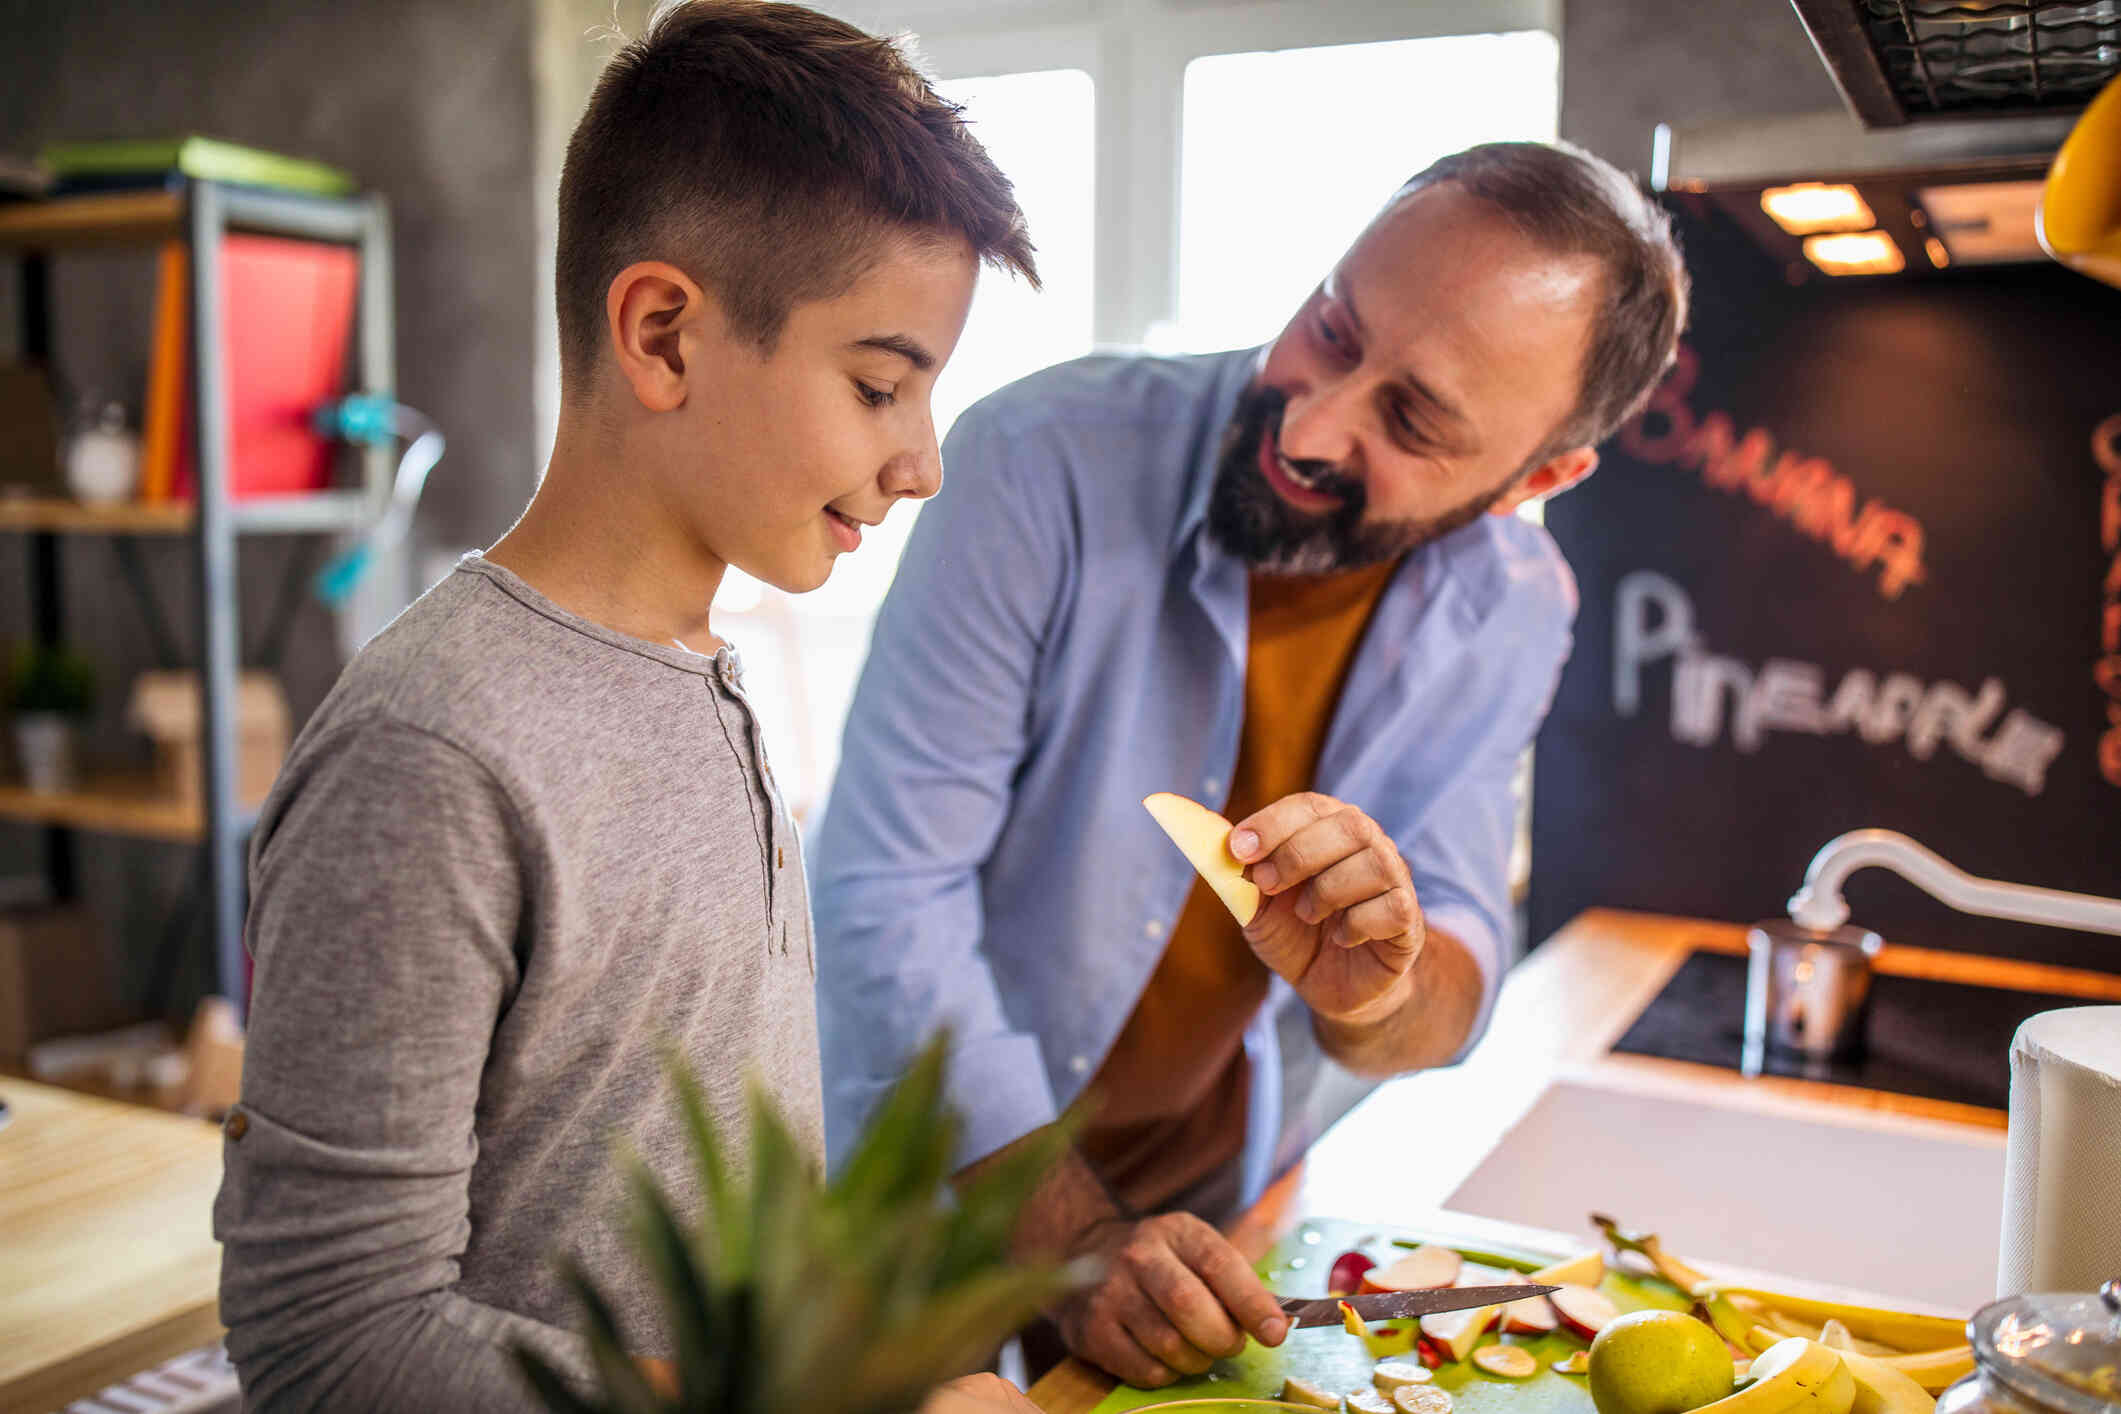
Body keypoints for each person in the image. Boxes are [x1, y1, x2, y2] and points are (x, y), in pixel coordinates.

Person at [212, 5, 1044, 1410]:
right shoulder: (435, 748)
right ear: (663, 334)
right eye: (879, 384)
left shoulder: (702, 669)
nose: (922, 463)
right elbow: (327, 1335)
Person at [811, 140, 1690, 1388]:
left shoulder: (1517, 606)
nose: (1314, 418)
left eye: (1415, 419)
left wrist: (1376, 989)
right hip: (924, 1187)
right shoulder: (1042, 459)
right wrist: (1074, 1240)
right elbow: (883, 897)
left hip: (1204, 1221)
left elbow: (1444, 975)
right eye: (1333, 327)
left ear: (1536, 478)